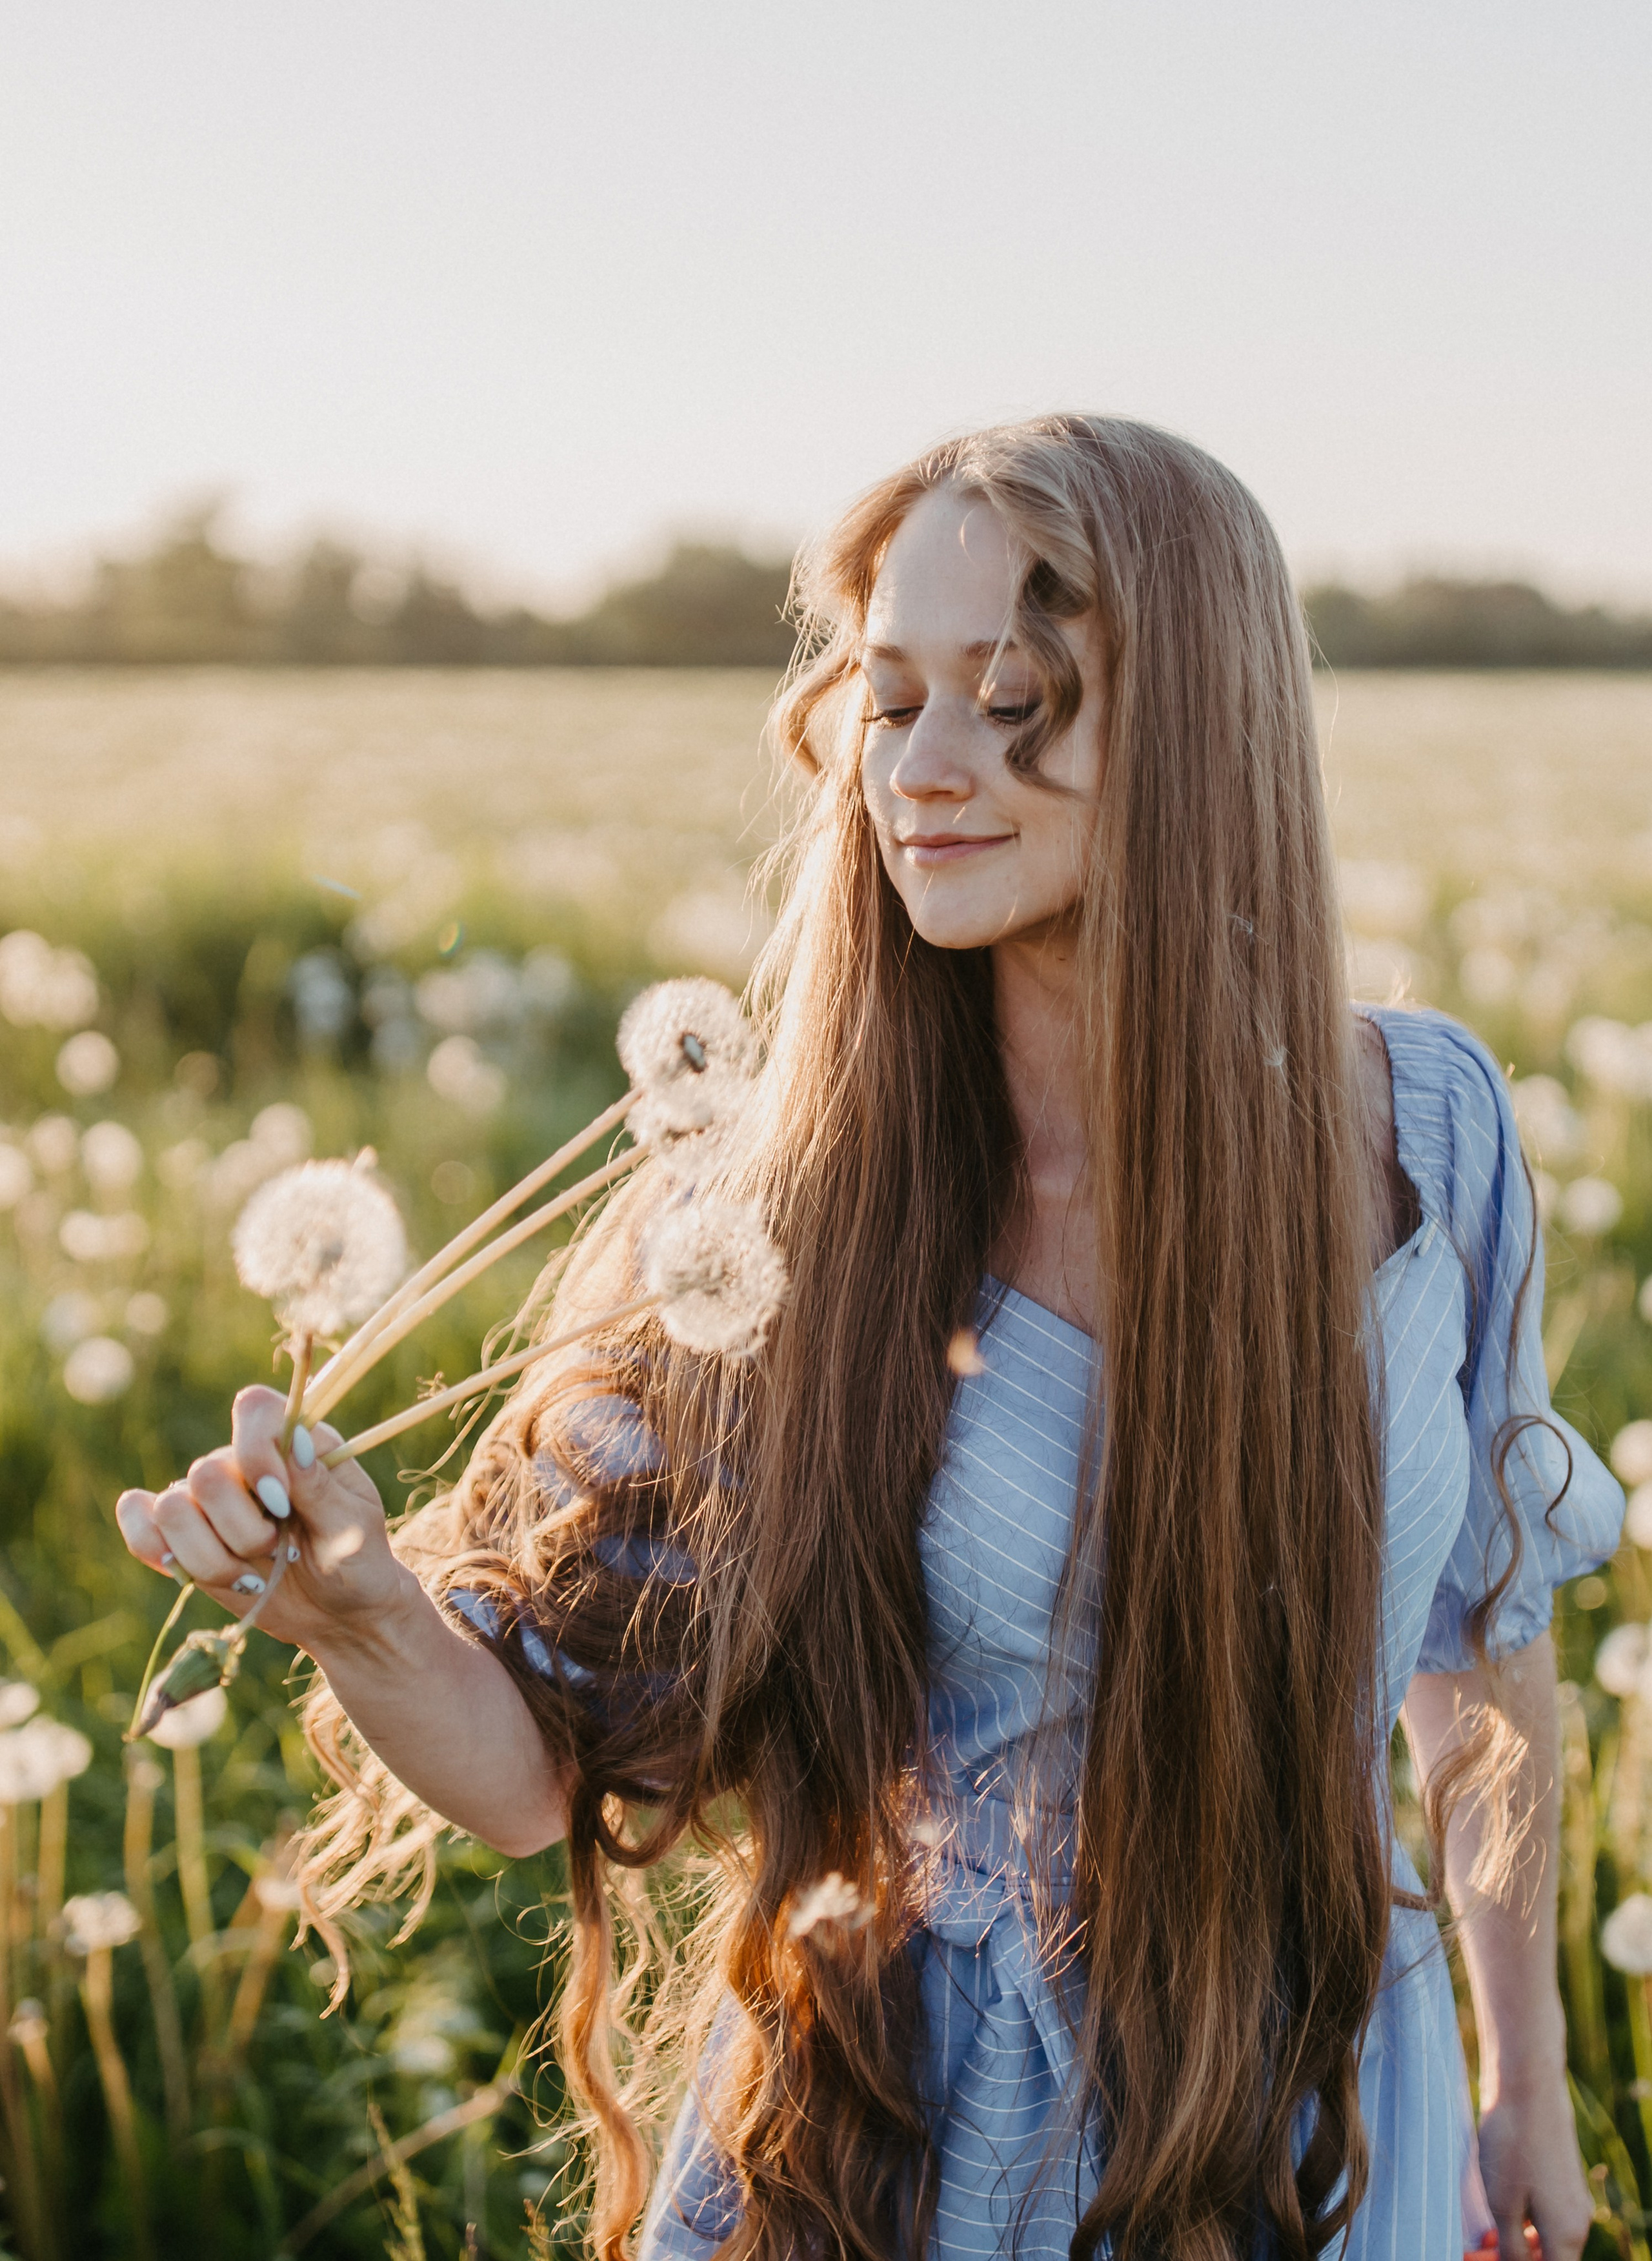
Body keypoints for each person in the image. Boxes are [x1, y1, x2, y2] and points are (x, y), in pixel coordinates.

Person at [116, 416, 1623, 2261]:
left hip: (1322, 2104)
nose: (928, 769)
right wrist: (361, 1607)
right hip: (918, 2145)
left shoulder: (1430, 1134)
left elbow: (1481, 1653)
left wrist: (1521, 2085)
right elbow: (529, 1775)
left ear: (1203, 726)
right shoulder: (769, 1226)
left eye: (1014, 703)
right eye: (891, 701)